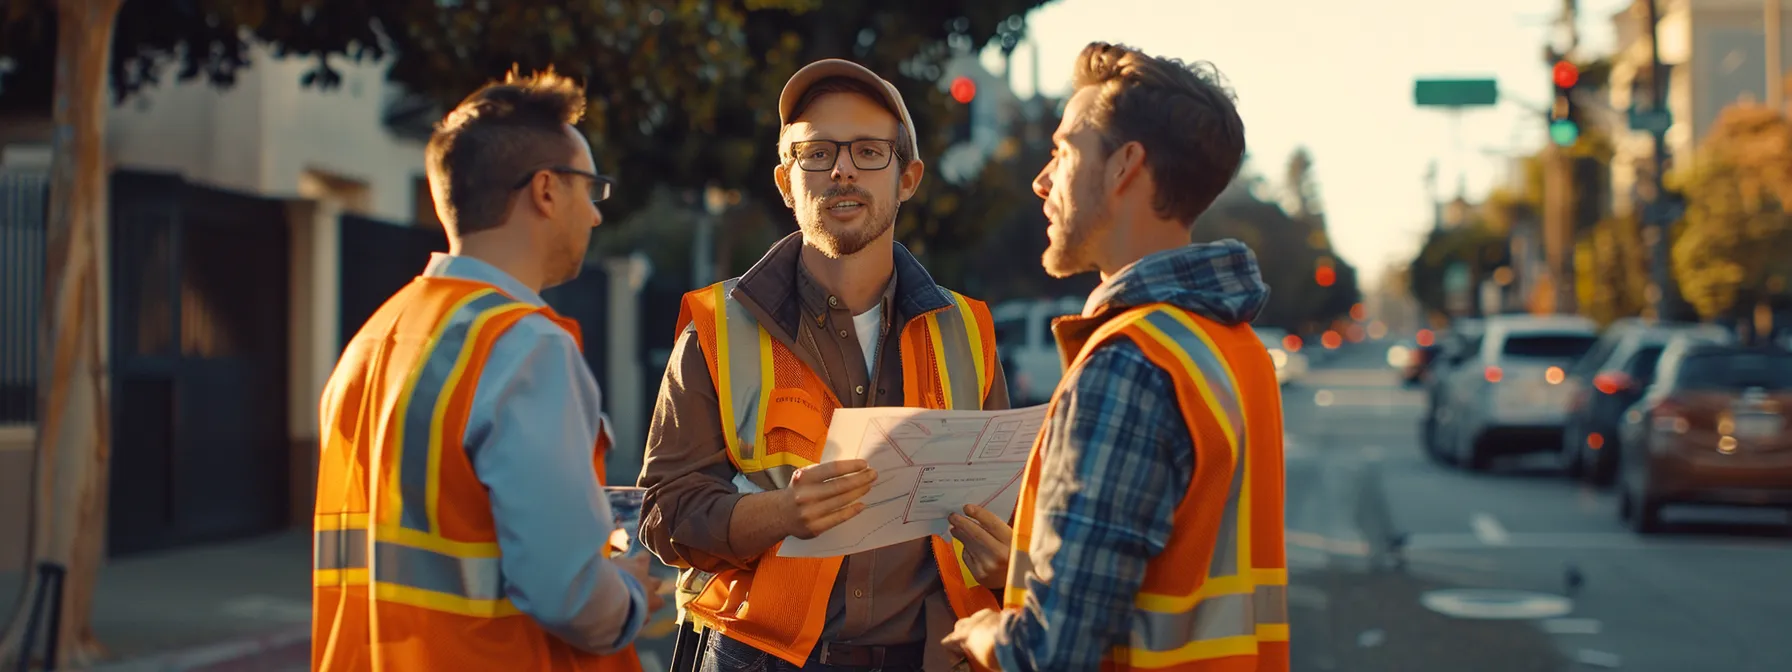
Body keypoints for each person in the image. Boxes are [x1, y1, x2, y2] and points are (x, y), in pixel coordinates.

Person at [638, 58, 1015, 672]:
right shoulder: (718, 326)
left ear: (908, 178)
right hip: (759, 658)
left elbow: (1006, 514)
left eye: (869, 151)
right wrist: (777, 514)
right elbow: (664, 513)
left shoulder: (969, 331)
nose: (842, 169)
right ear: (787, 182)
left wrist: (1011, 562)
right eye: (817, 153)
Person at [943, 42, 1289, 671]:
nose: (1041, 180)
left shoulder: (1130, 362)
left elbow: (1051, 654)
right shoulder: (1235, 350)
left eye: (1063, 151)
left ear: (1125, 165)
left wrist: (986, 634)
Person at [312, 69, 662, 671]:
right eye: (591, 189)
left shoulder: (373, 339)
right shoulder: (526, 347)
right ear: (546, 190)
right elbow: (567, 591)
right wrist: (630, 594)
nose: (597, 215)